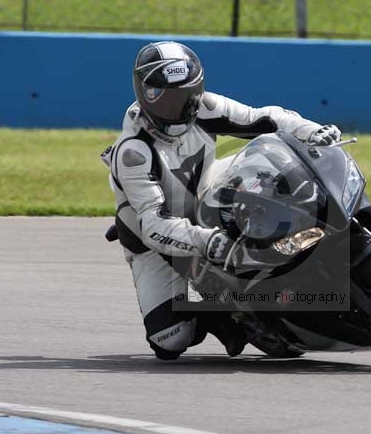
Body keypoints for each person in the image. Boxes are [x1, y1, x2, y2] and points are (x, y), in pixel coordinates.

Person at [102, 41, 341, 360]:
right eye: (161, 97)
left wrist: (311, 131)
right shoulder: (133, 152)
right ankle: (220, 314)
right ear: (143, 92)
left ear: (197, 89)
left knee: (275, 163)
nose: (175, 108)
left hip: (206, 189)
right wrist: (208, 242)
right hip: (155, 237)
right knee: (169, 339)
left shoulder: (204, 107)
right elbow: (153, 225)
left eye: (183, 96)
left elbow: (264, 119)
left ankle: (313, 238)